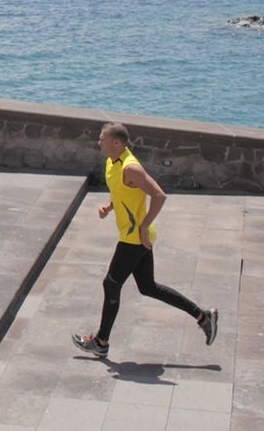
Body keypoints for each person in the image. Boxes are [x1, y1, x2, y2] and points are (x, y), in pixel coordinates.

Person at [72, 122, 218, 357]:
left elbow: (159, 196)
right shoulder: (112, 162)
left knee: (111, 284)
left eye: (102, 138)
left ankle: (101, 342)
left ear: (116, 143)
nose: (98, 141)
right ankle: (203, 316)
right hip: (132, 236)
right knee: (148, 287)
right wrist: (109, 207)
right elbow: (124, 192)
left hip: (133, 239)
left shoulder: (131, 167)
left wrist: (144, 226)